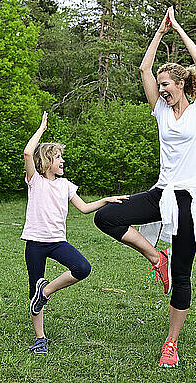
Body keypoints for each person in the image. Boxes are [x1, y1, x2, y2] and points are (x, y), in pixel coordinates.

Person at [94, 6, 196, 367]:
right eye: (159, 85)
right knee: (107, 217)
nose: (161, 89)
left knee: (183, 274)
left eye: (167, 84)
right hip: (161, 193)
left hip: (191, 199)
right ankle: (154, 256)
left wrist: (177, 27)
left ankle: (171, 344)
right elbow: (144, 69)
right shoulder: (160, 110)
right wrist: (159, 33)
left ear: (181, 84)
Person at [22, 111, 128, 355]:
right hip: (35, 244)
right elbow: (28, 152)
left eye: (62, 157)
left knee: (82, 268)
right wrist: (41, 130)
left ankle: (46, 290)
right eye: (58, 157)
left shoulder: (66, 185)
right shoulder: (35, 181)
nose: (62, 161)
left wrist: (106, 200)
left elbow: (83, 208)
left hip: (57, 242)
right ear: (46, 161)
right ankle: (40, 339)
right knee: (32, 291)